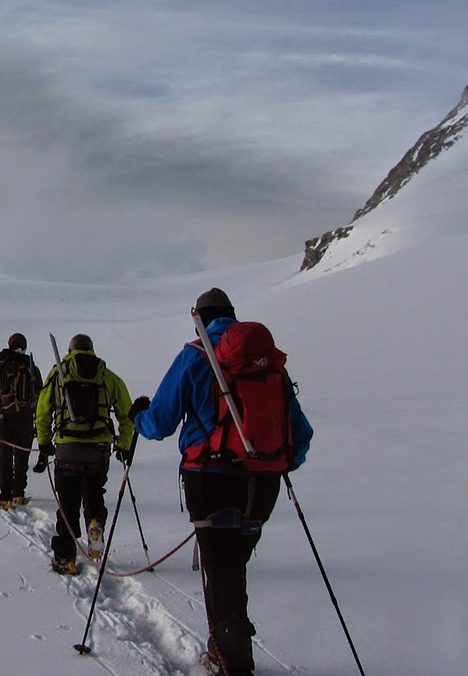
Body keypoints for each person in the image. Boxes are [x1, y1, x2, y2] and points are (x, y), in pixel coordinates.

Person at [130, 288, 313, 676]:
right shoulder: (267, 363)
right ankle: (227, 644)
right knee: (234, 562)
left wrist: (137, 417)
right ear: (232, 314)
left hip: (209, 479)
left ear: (200, 317)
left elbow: (160, 422)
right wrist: (280, 464)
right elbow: (300, 432)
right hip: (263, 484)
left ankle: (232, 660)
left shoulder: (196, 356)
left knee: (223, 566)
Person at [35, 334, 134, 575]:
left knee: (67, 500)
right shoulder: (106, 376)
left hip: (67, 446)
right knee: (94, 492)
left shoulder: (59, 373)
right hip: (98, 448)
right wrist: (124, 443)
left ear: (70, 350)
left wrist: (44, 442)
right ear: (91, 350)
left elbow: (43, 411)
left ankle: (65, 555)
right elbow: (127, 413)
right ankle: (95, 524)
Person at [0, 333, 42, 509]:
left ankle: (5, 496)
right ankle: (19, 493)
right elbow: (41, 394)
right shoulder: (32, 367)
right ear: (25, 347)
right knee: (22, 456)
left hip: (4, 417)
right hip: (26, 419)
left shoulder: (0, 366)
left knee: (5, 457)